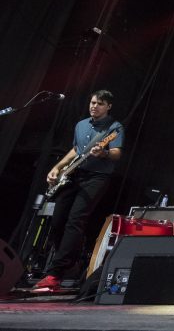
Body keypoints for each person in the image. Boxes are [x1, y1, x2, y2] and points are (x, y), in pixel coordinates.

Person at [33, 90, 124, 290]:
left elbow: (117, 153)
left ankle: (55, 273)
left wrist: (104, 153)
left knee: (76, 219)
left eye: (100, 103)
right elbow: (76, 150)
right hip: (74, 175)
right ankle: (70, 261)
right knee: (57, 220)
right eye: (92, 102)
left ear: (108, 106)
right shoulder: (81, 125)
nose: (94, 106)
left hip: (97, 177)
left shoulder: (114, 128)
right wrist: (57, 168)